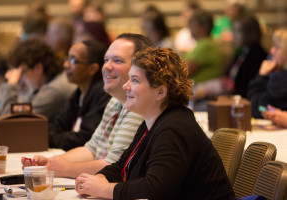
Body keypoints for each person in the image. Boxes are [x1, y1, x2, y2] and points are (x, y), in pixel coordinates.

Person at [75, 47, 234, 200]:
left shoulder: (175, 128)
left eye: (135, 80)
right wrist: (98, 179)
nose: (126, 86)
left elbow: (155, 189)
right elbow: (123, 165)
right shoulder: (152, 122)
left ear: (160, 92)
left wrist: (104, 188)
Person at [21, 33, 155, 178]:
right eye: (106, 60)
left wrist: (64, 169)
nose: (107, 67)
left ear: (139, 68)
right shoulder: (115, 100)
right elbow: (91, 149)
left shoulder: (139, 108)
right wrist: (51, 163)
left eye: (117, 60)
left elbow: (114, 166)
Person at [0, 39, 76, 123]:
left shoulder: (54, 90)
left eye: (23, 73)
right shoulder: (50, 82)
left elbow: (11, 123)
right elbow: (27, 108)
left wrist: (11, 84)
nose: (21, 80)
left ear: (38, 68)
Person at [49, 40, 111, 151]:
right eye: (66, 59)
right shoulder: (78, 93)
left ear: (92, 69)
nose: (66, 65)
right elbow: (58, 124)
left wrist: (50, 139)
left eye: (73, 60)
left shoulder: (104, 95)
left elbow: (85, 138)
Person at [224, 15, 267, 97]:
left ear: (249, 33)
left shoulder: (258, 56)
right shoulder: (241, 52)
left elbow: (248, 87)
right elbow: (228, 77)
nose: (234, 35)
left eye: (237, 31)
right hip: (230, 97)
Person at [248, 28, 287, 118]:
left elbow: (258, 108)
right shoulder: (279, 75)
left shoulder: (283, 80)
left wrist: (261, 76)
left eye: (277, 47)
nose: (272, 51)